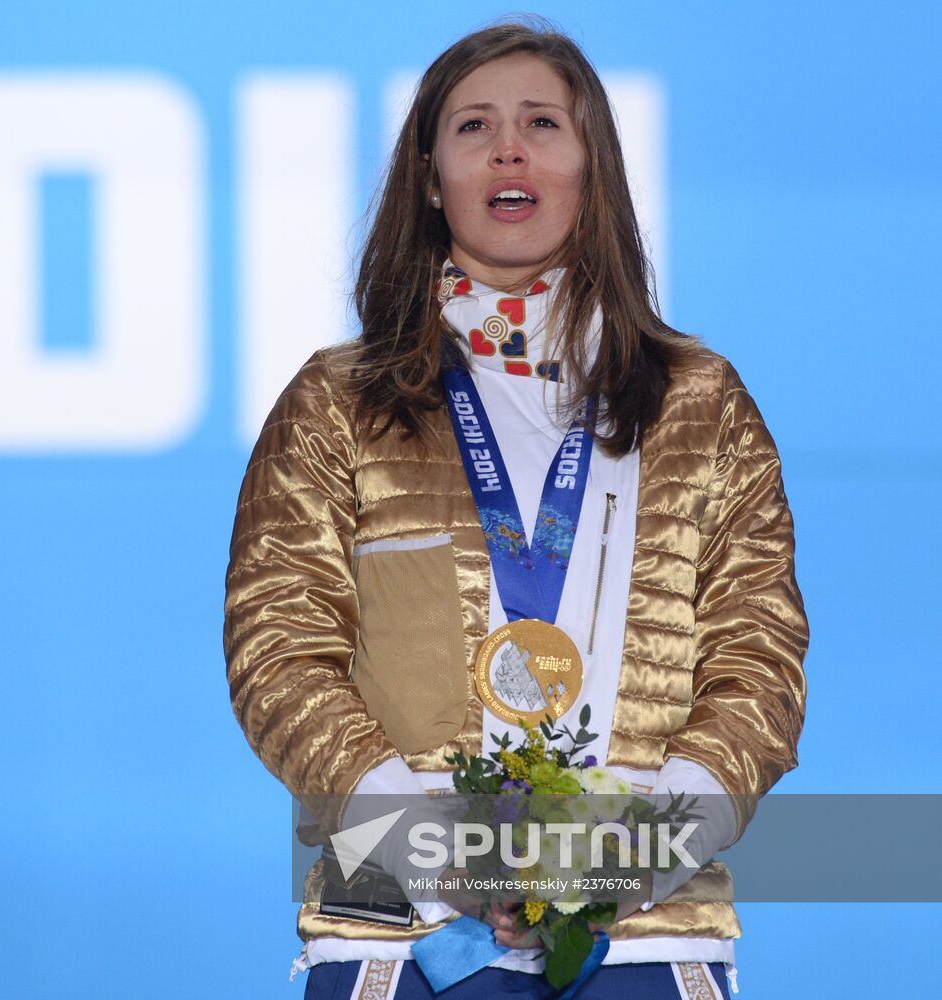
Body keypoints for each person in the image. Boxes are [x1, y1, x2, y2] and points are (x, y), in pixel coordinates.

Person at [224, 19, 807, 1000]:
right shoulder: (338, 400)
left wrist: (643, 848)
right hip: (403, 932)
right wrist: (434, 844)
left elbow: (762, 661)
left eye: (543, 122)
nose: (509, 148)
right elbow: (278, 649)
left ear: (593, 166)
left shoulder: (700, 400)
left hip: (644, 933)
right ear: (427, 175)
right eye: (473, 126)